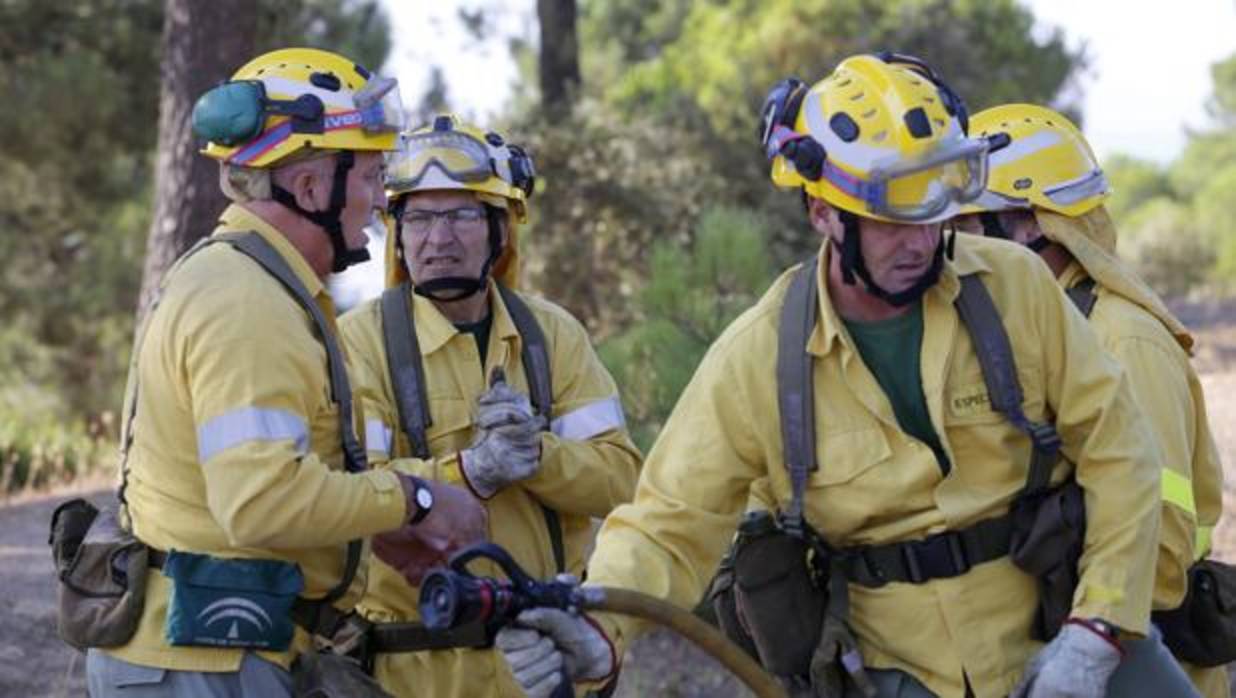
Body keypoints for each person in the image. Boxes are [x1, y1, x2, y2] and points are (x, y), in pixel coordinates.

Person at [492, 53, 1183, 698]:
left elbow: (1119, 449)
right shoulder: (760, 356)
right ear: (823, 213)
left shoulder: (1016, 288)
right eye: (889, 221)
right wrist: (598, 626)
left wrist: (1096, 632)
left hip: (1067, 637)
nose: (919, 241)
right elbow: (669, 524)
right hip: (899, 671)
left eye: (932, 213)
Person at [84, 48, 486, 697]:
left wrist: (373, 526)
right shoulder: (248, 302)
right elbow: (261, 501)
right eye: (369, 175)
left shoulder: (249, 280)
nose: (381, 201)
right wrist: (416, 498)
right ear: (308, 188)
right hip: (202, 668)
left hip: (213, 658)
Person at [338, 114, 642, 697]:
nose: (439, 239)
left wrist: (539, 456)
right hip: (414, 673)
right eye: (419, 218)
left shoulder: (553, 337)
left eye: (461, 216)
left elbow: (622, 479)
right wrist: (470, 472)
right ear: (395, 233)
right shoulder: (358, 345)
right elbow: (351, 500)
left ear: (501, 229)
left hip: (546, 664)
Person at [954, 103, 1228, 698]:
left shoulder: (1122, 339)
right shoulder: (1031, 333)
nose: (956, 247)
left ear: (1031, 225)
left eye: (973, 225)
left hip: (1135, 659)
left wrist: (1088, 634)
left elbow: (1160, 546)